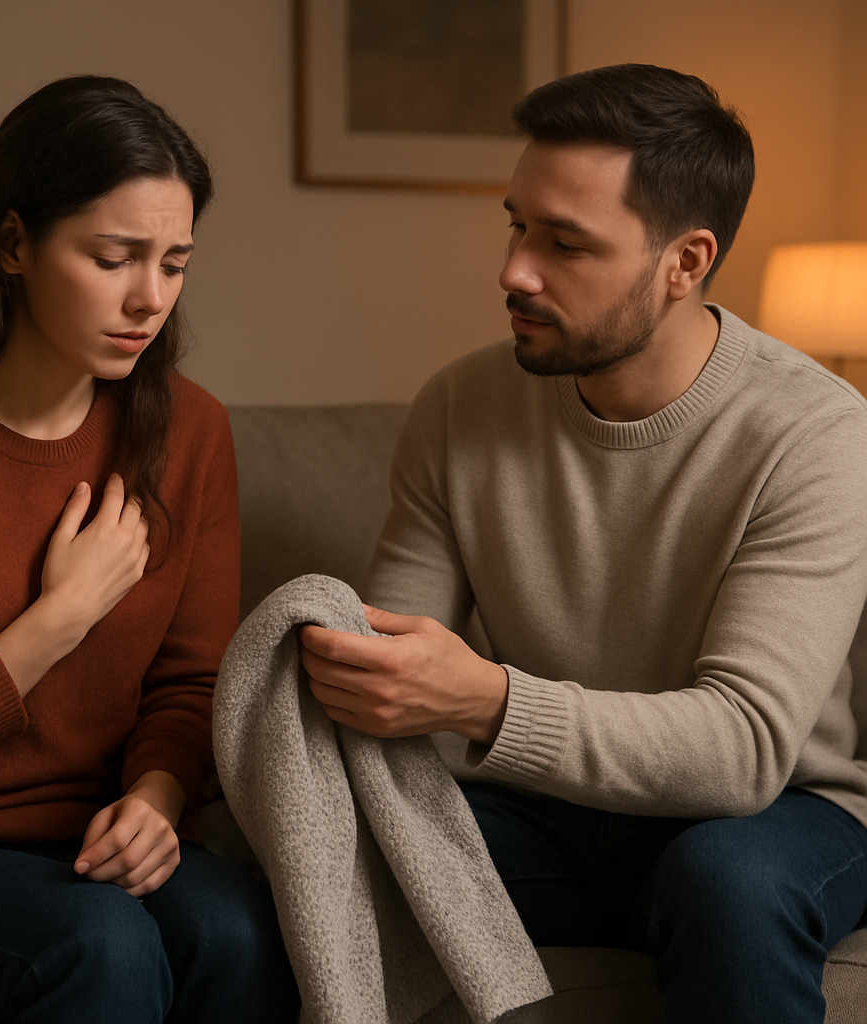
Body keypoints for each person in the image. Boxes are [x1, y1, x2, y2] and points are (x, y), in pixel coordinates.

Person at [299, 63, 867, 1023]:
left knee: (725, 884)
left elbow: (744, 748)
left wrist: (486, 698)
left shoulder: (816, 433)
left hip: (775, 814)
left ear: (685, 262)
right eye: (516, 226)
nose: (515, 271)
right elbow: (389, 666)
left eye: (564, 243)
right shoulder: (459, 405)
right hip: (543, 811)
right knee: (321, 862)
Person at [0, 76, 297, 1024]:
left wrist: (158, 797)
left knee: (240, 930)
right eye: (112, 257)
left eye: (174, 263)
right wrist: (58, 619)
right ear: (12, 244)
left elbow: (191, 685)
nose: (149, 299)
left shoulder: (190, 433)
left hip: (80, 834)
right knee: (98, 941)